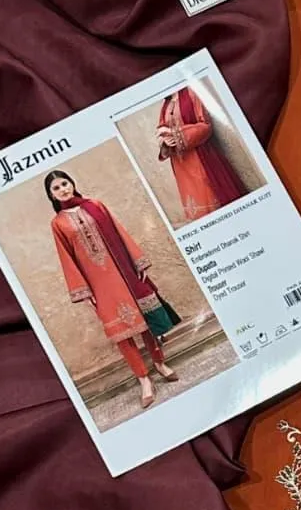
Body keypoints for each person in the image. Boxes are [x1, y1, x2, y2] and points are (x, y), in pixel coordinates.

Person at [46, 170, 179, 410]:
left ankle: (160, 363)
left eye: (64, 183)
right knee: (121, 334)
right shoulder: (58, 224)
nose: (63, 189)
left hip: (124, 273)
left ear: (72, 183)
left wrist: (137, 263)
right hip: (98, 284)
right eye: (56, 188)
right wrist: (84, 291)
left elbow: (120, 232)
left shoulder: (95, 206)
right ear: (52, 195)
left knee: (145, 322)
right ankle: (143, 379)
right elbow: (67, 258)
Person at [157, 87, 246, 223]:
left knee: (209, 193)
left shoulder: (191, 93)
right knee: (194, 202)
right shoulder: (165, 104)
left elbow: (206, 124)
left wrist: (178, 134)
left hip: (199, 156)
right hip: (180, 164)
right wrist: (165, 140)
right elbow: (161, 129)